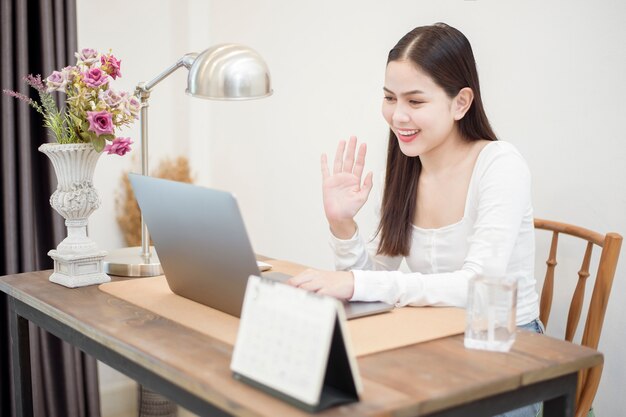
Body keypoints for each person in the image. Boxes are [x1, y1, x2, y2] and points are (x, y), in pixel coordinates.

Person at [287, 22, 542, 417]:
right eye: (389, 98)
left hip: (506, 348)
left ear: (461, 102)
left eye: (415, 101)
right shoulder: (408, 169)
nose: (397, 115)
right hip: (431, 340)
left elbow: (477, 286)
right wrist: (343, 226)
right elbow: (376, 277)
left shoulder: (500, 164)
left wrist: (356, 282)